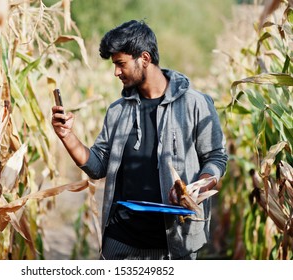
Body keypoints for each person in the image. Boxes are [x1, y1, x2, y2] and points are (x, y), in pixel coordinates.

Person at [51, 20, 228, 260]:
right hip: (120, 239)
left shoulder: (195, 104)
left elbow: (216, 157)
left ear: (144, 58)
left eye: (120, 64)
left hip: (173, 243)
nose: (116, 72)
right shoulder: (117, 111)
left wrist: (197, 188)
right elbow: (97, 166)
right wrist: (67, 136)